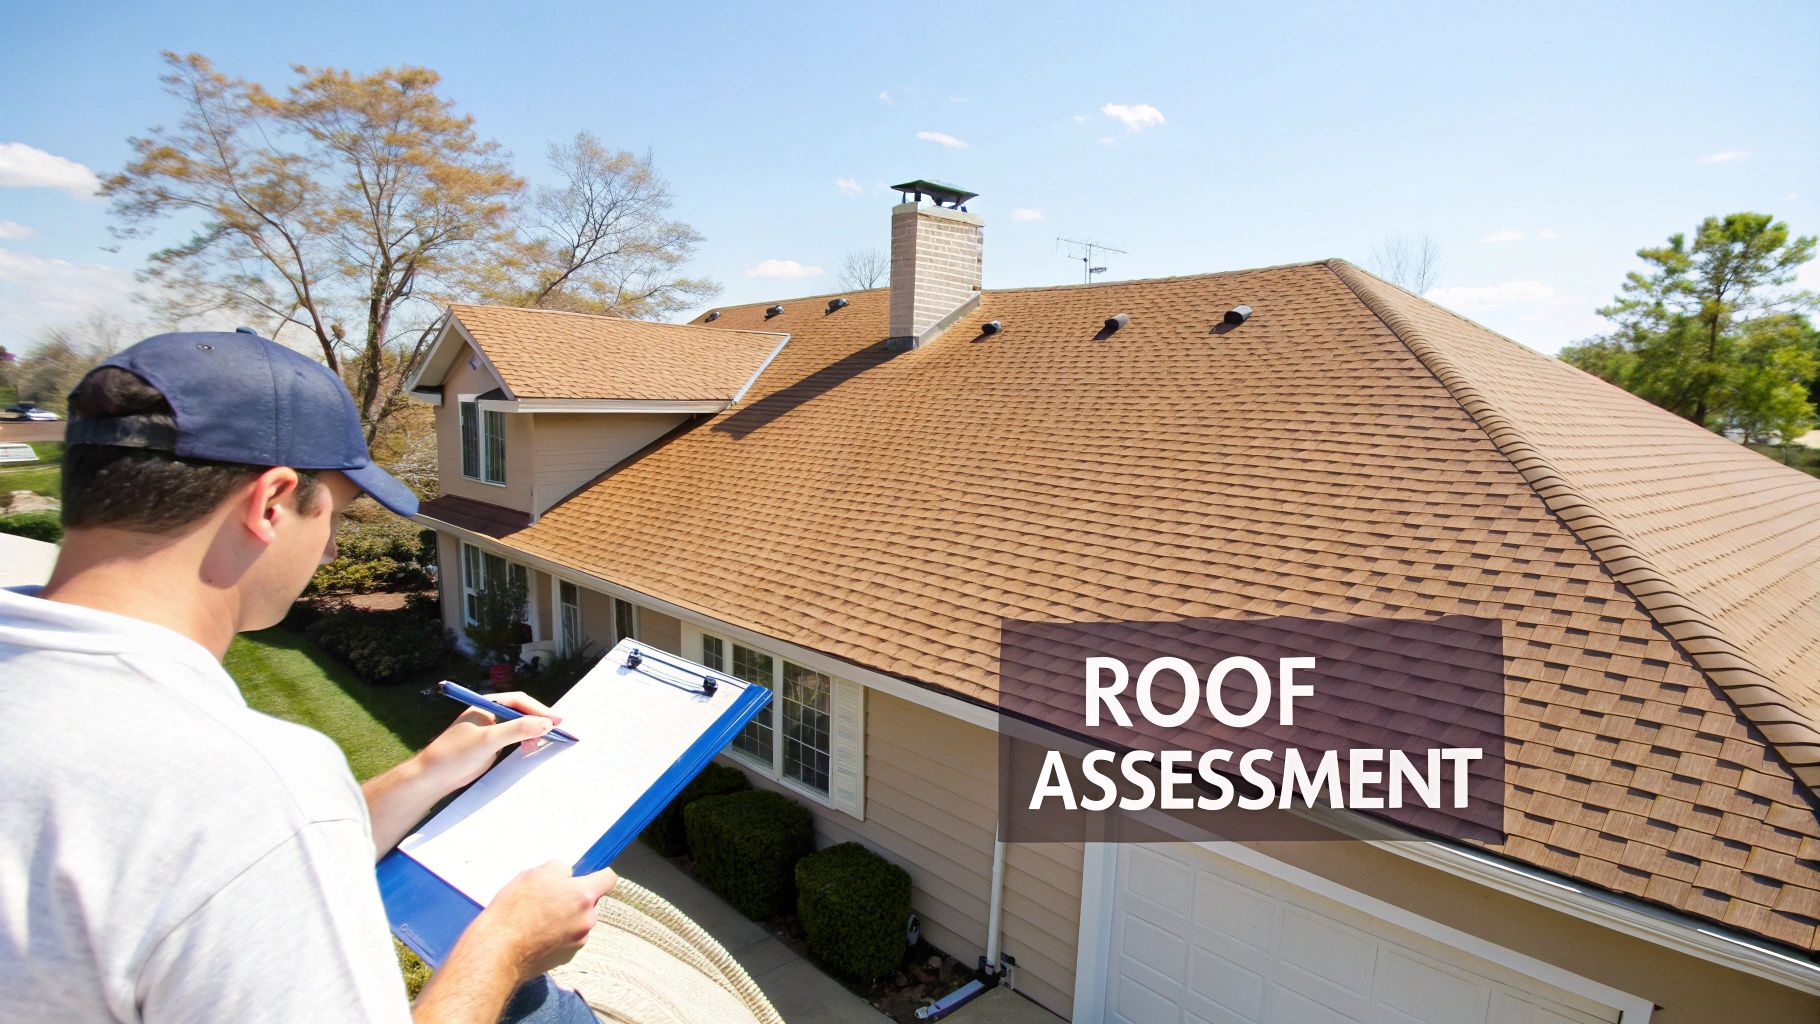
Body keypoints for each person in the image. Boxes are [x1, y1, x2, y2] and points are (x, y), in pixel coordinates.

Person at [0, 330, 614, 1023]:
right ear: (271, 503)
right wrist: (506, 945)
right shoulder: (246, 782)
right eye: (336, 515)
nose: (329, 549)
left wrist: (426, 772)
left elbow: (232, 860)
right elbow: (246, 826)